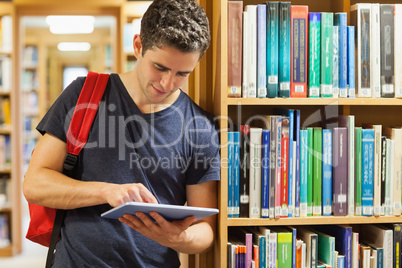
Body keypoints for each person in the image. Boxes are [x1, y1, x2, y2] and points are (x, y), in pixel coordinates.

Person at [23, 0, 220, 267]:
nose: (167, 83)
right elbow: (34, 184)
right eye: (160, 67)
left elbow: (207, 230)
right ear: (138, 46)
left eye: (182, 73)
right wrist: (107, 192)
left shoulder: (201, 126)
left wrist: (178, 237)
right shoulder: (84, 95)